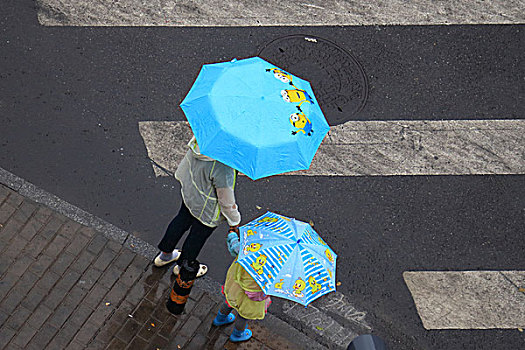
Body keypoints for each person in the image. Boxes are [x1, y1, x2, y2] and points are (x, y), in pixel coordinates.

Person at [154, 136, 241, 278]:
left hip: (190, 195)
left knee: (180, 222)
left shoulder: (201, 142)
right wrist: (234, 221)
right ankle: (183, 267)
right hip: (207, 210)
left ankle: (165, 256)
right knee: (196, 238)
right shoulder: (223, 166)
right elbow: (226, 199)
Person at [212, 231, 271, 342]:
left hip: (234, 287)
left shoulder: (249, 250)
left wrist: (232, 235)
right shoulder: (268, 273)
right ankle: (237, 334)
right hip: (247, 302)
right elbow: (256, 295)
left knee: (229, 302)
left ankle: (220, 319)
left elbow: (235, 246)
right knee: (243, 316)